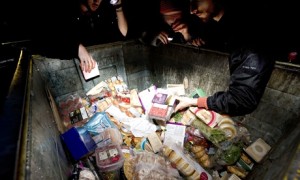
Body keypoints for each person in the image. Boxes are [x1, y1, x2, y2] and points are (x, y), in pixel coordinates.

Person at [174, 0, 275, 116]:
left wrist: (194, 102)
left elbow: (241, 99)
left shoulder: (249, 32)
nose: (192, 10)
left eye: (197, 1)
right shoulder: (218, 26)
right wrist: (188, 37)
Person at [31, 0, 128, 73]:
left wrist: (118, 7)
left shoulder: (99, 15)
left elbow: (121, 35)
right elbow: (46, 39)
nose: (97, 0)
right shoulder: (67, 11)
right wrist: (77, 47)